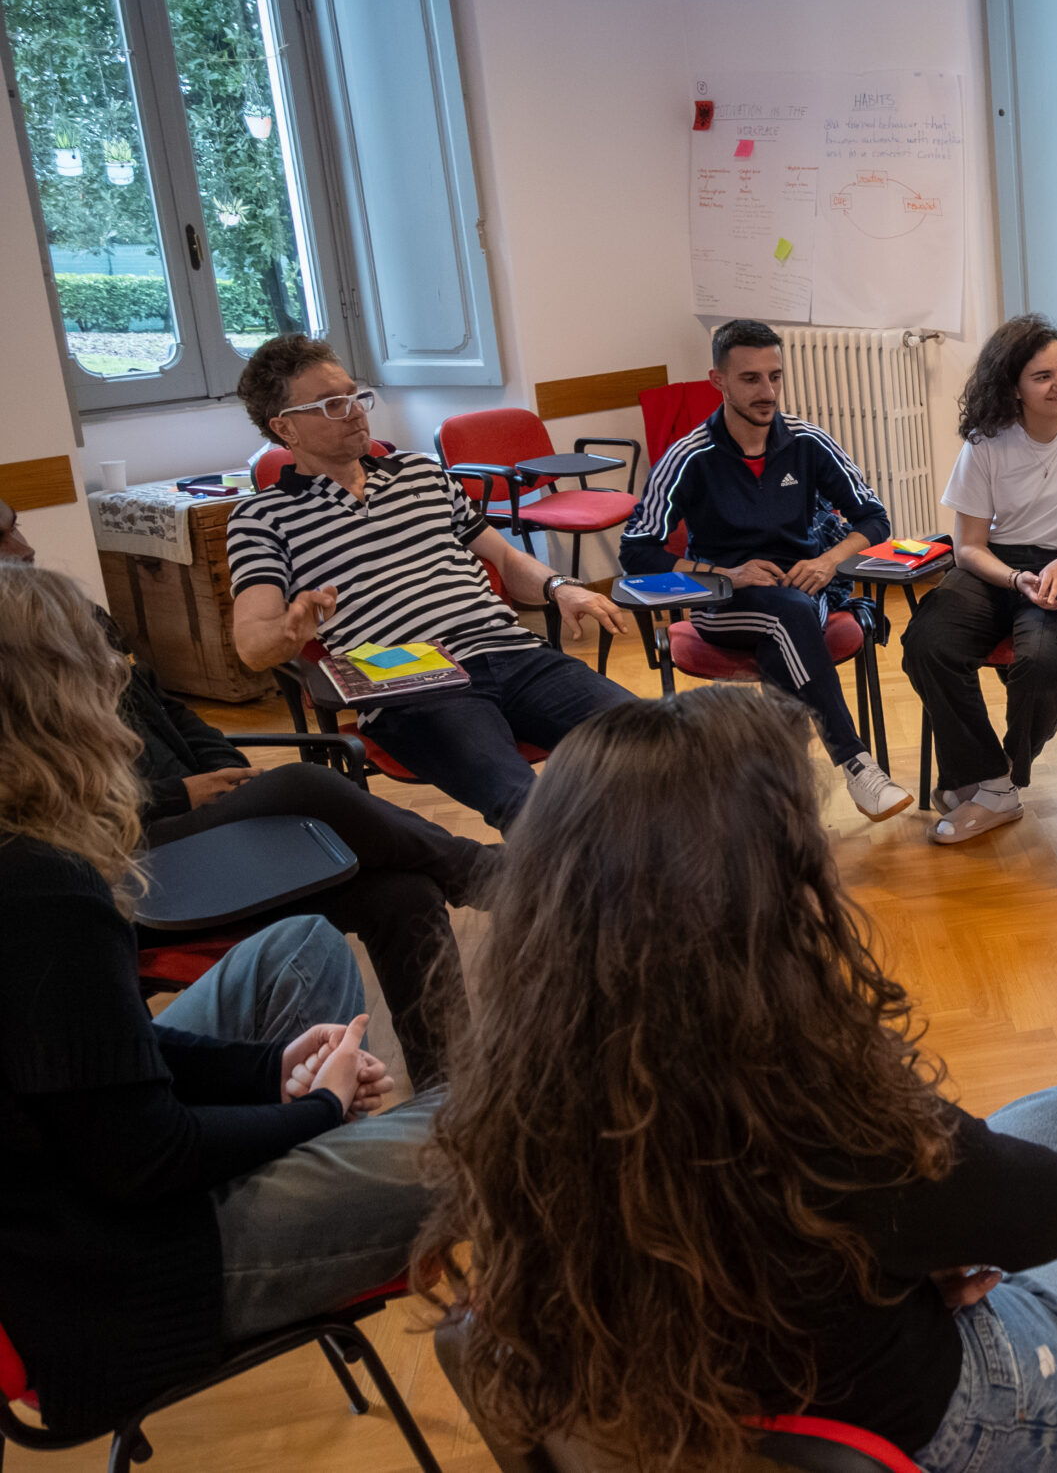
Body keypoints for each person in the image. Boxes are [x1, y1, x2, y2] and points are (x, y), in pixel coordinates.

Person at [415, 687, 1057, 1472]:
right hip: (975, 1429)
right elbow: (1045, 1215)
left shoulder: (530, 1078)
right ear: (759, 895)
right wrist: (928, 1240)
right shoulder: (795, 1089)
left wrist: (911, 1241)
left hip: (720, 1408)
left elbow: (863, 1214)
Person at [0, 562, 438, 1441]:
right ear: (54, 700)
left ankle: (316, 1170)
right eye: (97, 664)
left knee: (301, 945)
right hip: (125, 1272)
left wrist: (265, 1072)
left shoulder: (26, 868)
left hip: (83, 1198)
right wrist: (315, 1110)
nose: (117, 680)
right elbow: (146, 1157)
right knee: (504, 1118)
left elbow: (92, 1060)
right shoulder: (41, 892)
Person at [0, 499, 486, 1087]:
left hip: (200, 835)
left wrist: (224, 772)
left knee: (405, 893)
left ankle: (453, 1091)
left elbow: (172, 710)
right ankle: (481, 872)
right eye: (1, 539)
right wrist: (182, 793)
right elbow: (43, 812)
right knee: (304, 781)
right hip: (128, 867)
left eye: (17, 527)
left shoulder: (75, 618)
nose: (23, 547)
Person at [225, 336, 633, 831]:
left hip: (512, 651)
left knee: (659, 746)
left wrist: (560, 586)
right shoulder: (260, 518)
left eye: (355, 396)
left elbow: (506, 558)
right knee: (526, 804)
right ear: (284, 427)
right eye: (332, 405)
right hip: (411, 683)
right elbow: (252, 646)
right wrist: (289, 630)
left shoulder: (422, 473)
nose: (355, 412)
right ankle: (580, 881)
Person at [621, 318, 912, 820]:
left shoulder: (807, 441)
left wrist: (827, 561)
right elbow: (636, 551)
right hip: (721, 602)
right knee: (789, 617)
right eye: (751, 379)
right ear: (718, 381)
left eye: (775, 376)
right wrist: (723, 574)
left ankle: (780, 797)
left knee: (788, 624)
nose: (768, 391)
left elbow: (874, 518)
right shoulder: (688, 456)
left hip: (803, 592)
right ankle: (856, 764)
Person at [901, 315, 1057, 844]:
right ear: (1012, 387)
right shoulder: (987, 439)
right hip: (1001, 566)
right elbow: (968, 547)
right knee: (927, 643)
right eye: (1042, 377)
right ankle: (990, 781)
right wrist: (1016, 578)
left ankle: (996, 782)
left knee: (1044, 663)